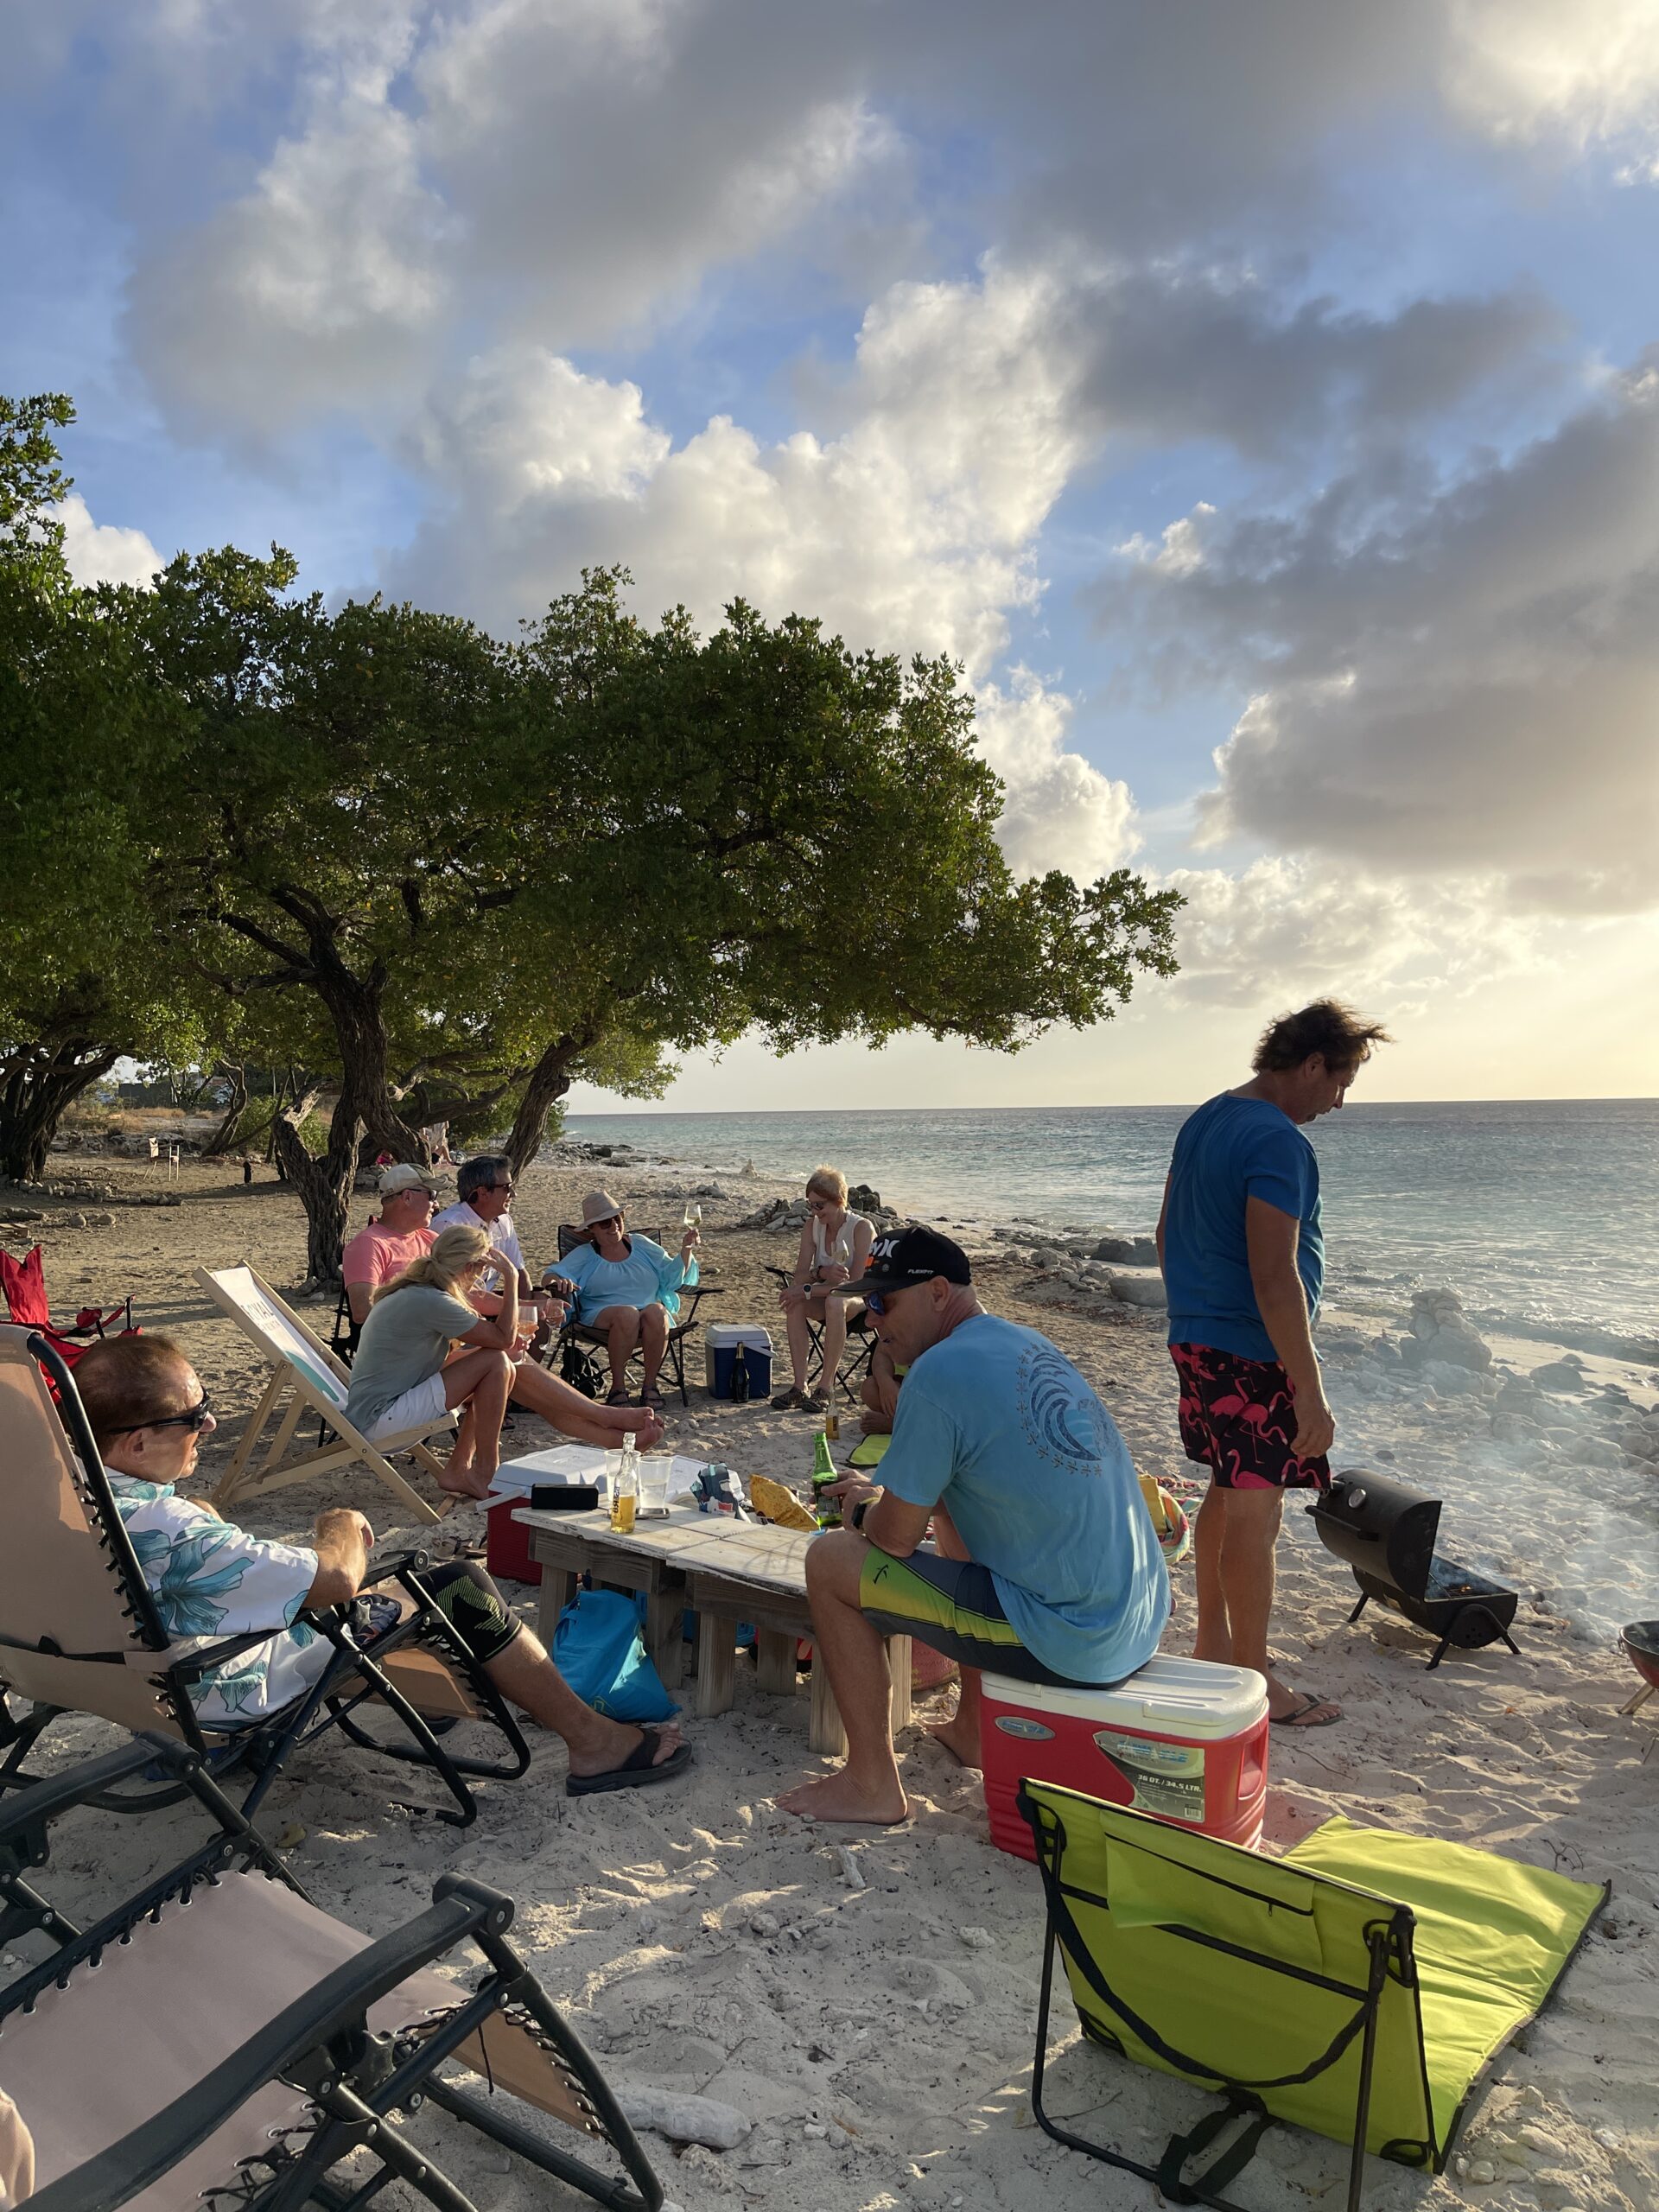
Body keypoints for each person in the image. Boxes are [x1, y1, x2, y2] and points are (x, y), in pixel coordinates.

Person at [72, 1335, 691, 1794]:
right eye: (191, 1417)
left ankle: (442, 1703)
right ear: (136, 1444)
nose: (208, 1423)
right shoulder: (172, 1532)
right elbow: (335, 1579)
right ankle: (594, 1744)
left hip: (128, 1687)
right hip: (218, 1690)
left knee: (399, 1592)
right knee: (455, 1587)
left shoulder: (58, 1499)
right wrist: (337, 1527)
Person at [779, 1227, 1170, 1826]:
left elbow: (891, 1538)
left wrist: (861, 1508)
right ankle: (974, 1730)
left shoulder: (938, 1372)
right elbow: (971, 1488)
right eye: (867, 1305)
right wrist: (887, 1498)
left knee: (831, 1560)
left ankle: (870, 1783)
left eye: (885, 1302)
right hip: (1138, 1621)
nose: (873, 1320)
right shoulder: (1025, 1343)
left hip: (1073, 1639)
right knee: (955, 1507)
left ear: (938, 1291)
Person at [1157, 998, 1391, 1731]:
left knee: (1228, 1492)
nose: (1339, 1102)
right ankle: (1254, 1682)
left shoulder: (1208, 1117)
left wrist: (1197, 1314)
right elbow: (1275, 1275)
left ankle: (1212, 1646)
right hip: (1252, 1350)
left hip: (1197, 1336)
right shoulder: (1276, 1140)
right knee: (1258, 1515)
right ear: (1313, 1062)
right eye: (1340, 1082)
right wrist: (1309, 1388)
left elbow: (1166, 1233)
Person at [346, 1224, 661, 1497]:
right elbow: (501, 1340)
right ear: (469, 1267)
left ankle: (607, 1431)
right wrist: (511, 1278)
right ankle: (486, 1470)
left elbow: (470, 1342)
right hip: (381, 1419)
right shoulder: (431, 1300)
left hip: (388, 1405)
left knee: (508, 1365)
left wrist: (512, 1338)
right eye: (482, 1271)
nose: (483, 1279)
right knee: (497, 1360)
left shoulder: (425, 1290)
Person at [556, 1192, 700, 1410]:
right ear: (591, 1229)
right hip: (600, 1316)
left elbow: (671, 1276)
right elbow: (551, 1274)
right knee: (627, 1314)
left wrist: (686, 1249)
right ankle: (618, 1388)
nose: (614, 1226)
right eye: (605, 1223)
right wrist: (561, 1281)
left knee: (657, 1312)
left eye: (618, 1219)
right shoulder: (584, 1254)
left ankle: (650, 1386)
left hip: (648, 1317)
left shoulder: (641, 1244)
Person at [433, 1153, 572, 1348]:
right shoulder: (450, 1226)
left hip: (489, 1304)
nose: (513, 1194)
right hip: (459, 1309)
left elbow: (520, 1271)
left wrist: (526, 1310)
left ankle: (519, 1371)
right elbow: (459, 1291)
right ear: (482, 1193)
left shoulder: (503, 1221)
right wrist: (522, 1307)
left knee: (538, 1318)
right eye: (507, 1188)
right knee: (528, 1316)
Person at [771, 1167, 875, 1413]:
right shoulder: (813, 1226)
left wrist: (807, 1289)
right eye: (811, 1206)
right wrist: (821, 1274)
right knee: (795, 1303)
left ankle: (825, 1387)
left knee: (835, 1301)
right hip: (826, 1294)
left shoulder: (861, 1229)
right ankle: (800, 1386)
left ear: (839, 1201)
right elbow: (799, 1276)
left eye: (819, 1206)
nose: (815, 1212)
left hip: (860, 1300)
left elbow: (858, 1282)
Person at [343, 1164, 440, 1328]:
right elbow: (363, 1311)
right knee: (495, 1353)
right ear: (407, 1197)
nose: (436, 1204)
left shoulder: (432, 1238)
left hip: (438, 1333)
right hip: (407, 1340)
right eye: (431, 1195)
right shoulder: (370, 1244)